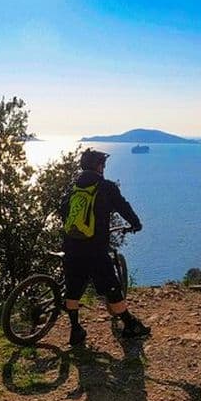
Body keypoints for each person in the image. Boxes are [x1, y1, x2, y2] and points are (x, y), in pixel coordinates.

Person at [60, 148, 151, 346]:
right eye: (102, 164)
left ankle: (75, 330)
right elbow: (123, 206)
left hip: (71, 247)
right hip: (94, 249)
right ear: (99, 166)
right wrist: (136, 223)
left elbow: (63, 211)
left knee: (73, 290)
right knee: (112, 287)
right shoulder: (106, 187)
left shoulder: (74, 188)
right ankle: (130, 325)